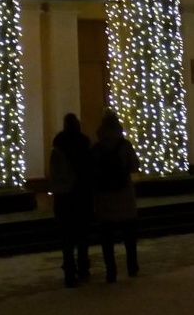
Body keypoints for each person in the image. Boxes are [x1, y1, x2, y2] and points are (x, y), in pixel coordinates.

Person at [91, 108, 140, 282]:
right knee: (129, 235)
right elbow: (134, 165)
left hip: (105, 197)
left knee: (107, 238)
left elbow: (92, 171)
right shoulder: (124, 145)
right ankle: (132, 266)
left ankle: (111, 271)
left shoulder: (96, 148)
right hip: (124, 195)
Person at [48, 112, 94, 287]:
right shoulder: (84, 144)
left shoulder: (58, 146)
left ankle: (69, 270)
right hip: (82, 195)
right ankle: (83, 266)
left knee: (67, 238)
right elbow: (90, 171)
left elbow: (54, 172)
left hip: (64, 197)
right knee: (83, 235)